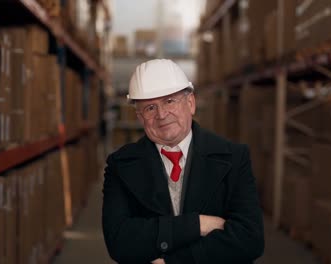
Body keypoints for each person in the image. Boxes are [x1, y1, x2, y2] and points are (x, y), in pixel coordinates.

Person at [102, 59, 264, 264]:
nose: (161, 115)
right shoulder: (120, 166)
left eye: (169, 101)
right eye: (150, 108)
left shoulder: (234, 158)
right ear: (140, 117)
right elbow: (120, 243)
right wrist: (198, 224)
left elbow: (250, 240)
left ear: (191, 103)